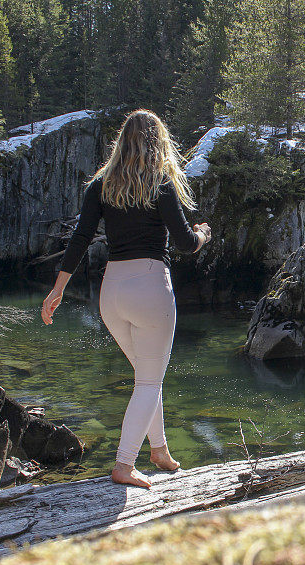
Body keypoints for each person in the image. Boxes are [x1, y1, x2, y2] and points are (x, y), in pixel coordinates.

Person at [40, 109, 211, 488]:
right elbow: (184, 244)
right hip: (150, 287)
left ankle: (160, 450)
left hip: (111, 292)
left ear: (122, 142)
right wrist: (203, 234)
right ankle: (124, 464)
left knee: (146, 376)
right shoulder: (160, 183)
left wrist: (58, 288)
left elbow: (81, 238)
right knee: (149, 382)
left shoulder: (100, 185)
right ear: (158, 142)